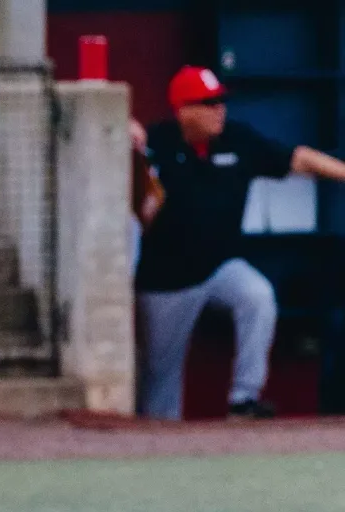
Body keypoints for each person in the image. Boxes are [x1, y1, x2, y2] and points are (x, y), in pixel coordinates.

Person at [135, 65, 345, 421]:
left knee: (257, 295)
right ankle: (158, 442)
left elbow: (298, 158)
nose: (219, 110)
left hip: (220, 267)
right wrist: (127, 128)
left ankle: (244, 399)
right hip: (166, 281)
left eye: (220, 102)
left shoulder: (238, 139)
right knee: (159, 381)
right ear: (183, 110)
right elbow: (123, 137)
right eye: (208, 103)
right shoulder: (160, 141)